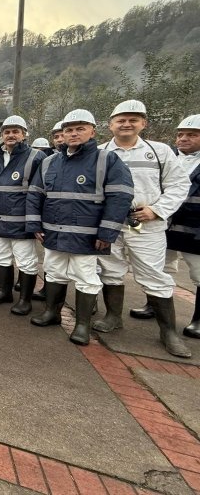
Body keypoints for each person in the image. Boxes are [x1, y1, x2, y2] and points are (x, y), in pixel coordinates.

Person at [27, 110, 134, 345]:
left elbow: (120, 197)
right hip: (53, 232)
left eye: (80, 128)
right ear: (61, 134)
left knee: (86, 277)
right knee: (54, 271)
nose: (73, 133)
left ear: (92, 131)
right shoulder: (49, 162)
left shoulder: (107, 160)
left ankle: (82, 325)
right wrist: (35, 224)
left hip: (87, 236)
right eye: (68, 130)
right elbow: (35, 195)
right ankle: (51, 313)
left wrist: (107, 233)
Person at [94, 100, 191, 357]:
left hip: (146, 223)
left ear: (143, 123)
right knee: (110, 269)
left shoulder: (159, 152)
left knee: (153, 275)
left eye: (133, 120)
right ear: (110, 124)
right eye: (121, 120)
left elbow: (179, 185)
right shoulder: (100, 151)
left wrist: (157, 210)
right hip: (111, 223)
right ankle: (113, 316)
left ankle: (168, 332)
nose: (126, 124)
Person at [0, 115, 47, 313]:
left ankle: (25, 300)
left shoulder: (36, 157)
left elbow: (40, 191)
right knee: (1, 257)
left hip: (22, 222)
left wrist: (36, 222)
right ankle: (4, 292)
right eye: (7, 132)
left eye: (15, 131)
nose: (11, 135)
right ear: (2, 135)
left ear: (24, 134)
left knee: (26, 261)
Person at [166, 114, 200, 338]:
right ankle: (155, 305)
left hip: (196, 229)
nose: (183, 139)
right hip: (165, 226)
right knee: (162, 269)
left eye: (192, 135)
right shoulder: (168, 158)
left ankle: (198, 319)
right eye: (180, 135)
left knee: (198, 274)